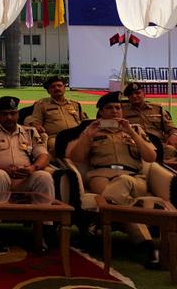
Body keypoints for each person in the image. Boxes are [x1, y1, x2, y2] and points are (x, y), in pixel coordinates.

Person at [67, 91, 160, 268]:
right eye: (109, 108)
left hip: (133, 178)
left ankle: (97, 220)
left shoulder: (135, 130)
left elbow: (151, 157)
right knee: (121, 201)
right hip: (101, 176)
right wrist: (88, 135)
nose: (115, 111)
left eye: (118, 108)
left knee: (122, 182)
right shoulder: (92, 131)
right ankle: (147, 246)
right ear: (101, 112)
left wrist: (131, 132)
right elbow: (76, 157)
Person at [0, 95, 54, 252]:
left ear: (18, 113)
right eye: (4, 114)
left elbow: (43, 155)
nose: (9, 117)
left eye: (13, 113)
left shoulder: (29, 132)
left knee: (44, 176)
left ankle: (44, 231)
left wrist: (33, 168)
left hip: (24, 178)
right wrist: (6, 169)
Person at [26, 75, 86, 155]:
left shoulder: (75, 104)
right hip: (55, 137)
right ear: (48, 91)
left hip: (77, 136)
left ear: (64, 88)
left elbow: (84, 121)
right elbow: (36, 122)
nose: (57, 88)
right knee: (60, 147)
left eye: (59, 85)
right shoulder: (42, 105)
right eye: (53, 87)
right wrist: (37, 126)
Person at [122, 82, 177, 162]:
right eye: (131, 94)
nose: (134, 96)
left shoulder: (157, 109)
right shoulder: (122, 110)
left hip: (159, 145)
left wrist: (174, 135)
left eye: (137, 93)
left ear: (144, 93)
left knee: (170, 150)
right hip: (135, 145)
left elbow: (171, 128)